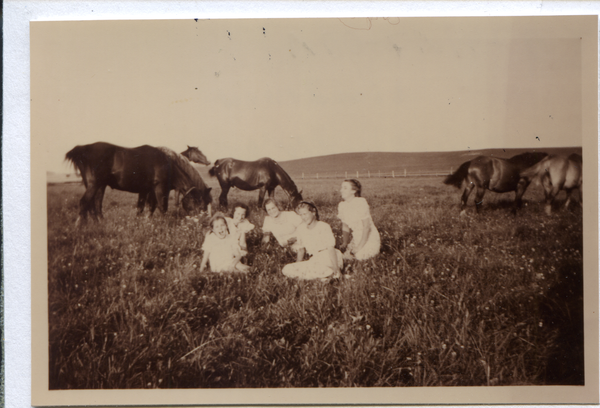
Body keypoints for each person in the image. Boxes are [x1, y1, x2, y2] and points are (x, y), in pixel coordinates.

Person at [282, 201, 343, 281]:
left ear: (313, 212)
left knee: (317, 267)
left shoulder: (324, 226)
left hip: (328, 256)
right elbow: (301, 250)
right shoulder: (301, 229)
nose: (303, 217)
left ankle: (329, 274)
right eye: (301, 215)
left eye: (305, 214)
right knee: (286, 269)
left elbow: (330, 249)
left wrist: (336, 268)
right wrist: (297, 267)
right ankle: (324, 277)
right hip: (314, 260)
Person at [338, 179, 380, 261]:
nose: (341, 190)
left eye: (345, 188)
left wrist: (360, 246)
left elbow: (367, 227)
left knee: (359, 257)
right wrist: (345, 242)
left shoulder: (360, 202)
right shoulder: (342, 205)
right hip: (356, 237)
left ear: (354, 191)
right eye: (341, 187)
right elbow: (345, 226)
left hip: (369, 237)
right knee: (343, 258)